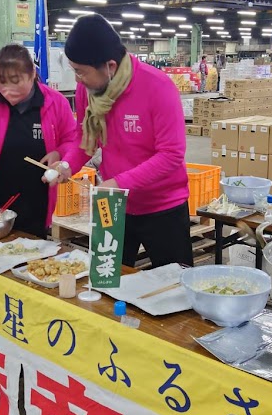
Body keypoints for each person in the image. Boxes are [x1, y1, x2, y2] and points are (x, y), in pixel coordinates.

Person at [56, 14, 193, 268]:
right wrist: (66, 166)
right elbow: (85, 138)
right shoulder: (89, 90)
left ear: (110, 66)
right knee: (105, 284)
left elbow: (171, 155)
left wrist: (119, 183)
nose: (77, 79)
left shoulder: (157, 87)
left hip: (163, 207)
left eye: (81, 72)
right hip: (114, 206)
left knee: (175, 293)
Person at [0, 45, 78, 238]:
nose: (8, 90)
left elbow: (71, 139)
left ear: (32, 75)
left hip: (38, 197)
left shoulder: (55, 102)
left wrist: (59, 153)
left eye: (16, 81)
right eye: (1, 81)